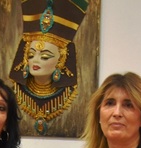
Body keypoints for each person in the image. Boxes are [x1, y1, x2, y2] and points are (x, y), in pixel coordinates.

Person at [8, 0, 88, 134]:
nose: (35, 60)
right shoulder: (14, 93)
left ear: (61, 60)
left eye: (44, 56)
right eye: (31, 55)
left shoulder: (74, 98)